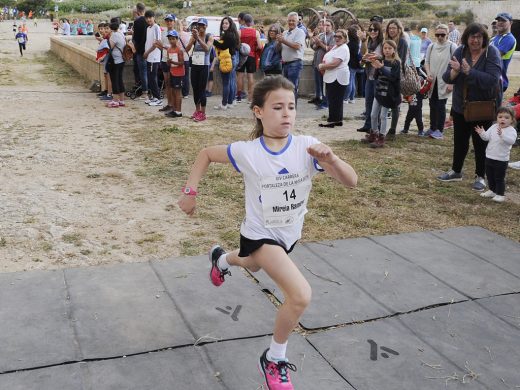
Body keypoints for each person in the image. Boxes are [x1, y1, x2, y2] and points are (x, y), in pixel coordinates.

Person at [177, 75, 357, 390]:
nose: (287, 113)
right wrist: (190, 191)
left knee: (251, 264)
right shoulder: (248, 151)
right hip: (260, 234)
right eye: (277, 107)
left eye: (291, 106)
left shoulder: (306, 147)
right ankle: (274, 358)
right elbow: (205, 153)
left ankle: (221, 259)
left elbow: (351, 181)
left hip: (287, 235)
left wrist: (333, 160)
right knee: (300, 295)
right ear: (258, 112)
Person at [438, 23, 502, 191]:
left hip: (482, 108)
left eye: (479, 37)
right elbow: (447, 76)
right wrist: (456, 72)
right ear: (466, 38)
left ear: (484, 38)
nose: (475, 40)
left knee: (481, 143)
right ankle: (456, 171)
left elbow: (492, 80)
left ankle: (481, 176)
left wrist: (469, 72)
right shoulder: (460, 51)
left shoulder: (491, 53)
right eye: (472, 36)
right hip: (461, 106)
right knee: (459, 141)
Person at [474, 106, 517, 202]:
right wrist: (482, 133)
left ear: (512, 120)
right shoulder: (494, 127)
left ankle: (500, 194)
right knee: (490, 176)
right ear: (496, 118)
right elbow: (486, 137)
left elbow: (511, 141)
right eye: (500, 117)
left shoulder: (511, 130)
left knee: (499, 178)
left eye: (506, 117)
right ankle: (492, 190)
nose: (503, 119)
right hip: (489, 156)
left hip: (501, 159)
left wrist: (502, 135)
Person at [423, 24, 457, 139]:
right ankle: (432, 127)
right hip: (432, 81)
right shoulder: (431, 46)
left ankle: (439, 130)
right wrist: (428, 73)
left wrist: (451, 83)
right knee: (432, 104)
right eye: (437, 34)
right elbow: (426, 62)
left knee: (441, 105)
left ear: (447, 34)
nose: (440, 37)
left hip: (445, 81)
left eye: (442, 34)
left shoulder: (452, 47)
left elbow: (456, 66)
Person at [367, 40, 401, 148]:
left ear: (394, 50)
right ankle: (374, 133)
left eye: (389, 48)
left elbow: (393, 77)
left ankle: (381, 137)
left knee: (383, 116)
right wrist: (376, 67)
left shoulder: (396, 63)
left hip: (388, 94)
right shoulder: (381, 60)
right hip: (379, 91)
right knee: (373, 114)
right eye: (385, 48)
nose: (387, 50)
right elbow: (376, 76)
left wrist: (381, 67)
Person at [318, 29, 350, 128]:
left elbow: (335, 63)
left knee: (335, 99)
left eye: (340, 37)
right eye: (335, 36)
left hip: (337, 76)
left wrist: (322, 66)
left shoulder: (343, 48)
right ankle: (337, 119)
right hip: (332, 76)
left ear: (345, 39)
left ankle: (332, 120)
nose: (337, 38)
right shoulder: (336, 47)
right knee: (334, 99)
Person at [185, 17, 214, 122]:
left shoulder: (209, 36)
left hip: (204, 65)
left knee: (202, 89)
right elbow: (187, 49)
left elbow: (207, 49)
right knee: (195, 88)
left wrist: (198, 38)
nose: (201, 27)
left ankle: (203, 113)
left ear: (206, 26)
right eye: (199, 25)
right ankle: (197, 111)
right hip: (195, 64)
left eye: (203, 25)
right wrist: (192, 39)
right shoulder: (194, 37)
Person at [357, 21, 384, 133]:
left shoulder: (382, 43)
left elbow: (386, 56)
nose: (373, 32)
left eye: (375, 30)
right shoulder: (369, 42)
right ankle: (368, 125)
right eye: (371, 29)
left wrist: (377, 57)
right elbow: (363, 52)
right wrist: (363, 41)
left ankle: (376, 127)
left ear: (379, 31)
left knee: (377, 103)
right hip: (369, 75)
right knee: (368, 101)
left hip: (378, 76)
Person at [385, 19, 408, 138]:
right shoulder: (387, 41)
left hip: (397, 75)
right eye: (390, 28)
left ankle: (393, 129)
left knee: (395, 103)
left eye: (394, 28)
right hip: (386, 74)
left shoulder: (402, 42)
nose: (392, 30)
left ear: (399, 29)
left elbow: (401, 60)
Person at [278, 12, 306, 104]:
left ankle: (292, 110)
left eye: (293, 21)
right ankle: (287, 109)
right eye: (289, 20)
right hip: (285, 63)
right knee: (286, 89)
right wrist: (279, 41)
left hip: (295, 63)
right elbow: (281, 47)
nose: (291, 22)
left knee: (292, 88)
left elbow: (297, 46)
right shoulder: (285, 32)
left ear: (297, 21)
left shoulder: (300, 32)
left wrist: (283, 41)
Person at [213, 16, 240, 110]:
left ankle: (224, 104)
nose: (224, 25)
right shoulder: (233, 34)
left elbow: (223, 46)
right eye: (223, 23)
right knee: (231, 81)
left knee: (226, 83)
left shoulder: (228, 35)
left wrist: (213, 41)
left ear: (230, 24)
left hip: (227, 60)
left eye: (226, 23)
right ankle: (230, 102)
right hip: (232, 59)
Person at [236, 14, 263, 103]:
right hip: (251, 56)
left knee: (240, 76)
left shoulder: (240, 32)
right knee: (250, 76)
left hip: (242, 56)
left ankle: (239, 96)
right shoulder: (256, 32)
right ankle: (250, 98)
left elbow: (237, 45)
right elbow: (259, 46)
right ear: (251, 22)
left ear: (244, 21)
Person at [490, 12, 517, 92]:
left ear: (511, 23)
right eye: (498, 20)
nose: (500, 22)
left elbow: (492, 56)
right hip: (490, 77)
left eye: (503, 20)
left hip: (498, 80)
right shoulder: (495, 38)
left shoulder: (509, 38)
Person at [309, 18, 333, 108]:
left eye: (328, 25)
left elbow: (331, 49)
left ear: (332, 27)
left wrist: (320, 44)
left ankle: (325, 102)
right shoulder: (322, 35)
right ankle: (319, 98)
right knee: (318, 83)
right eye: (324, 25)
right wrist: (315, 41)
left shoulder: (332, 36)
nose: (325, 27)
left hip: (325, 64)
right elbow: (315, 47)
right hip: (317, 63)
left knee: (325, 85)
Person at [156, 14, 176, 113]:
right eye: (167, 21)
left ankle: (174, 105)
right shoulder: (163, 33)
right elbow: (163, 48)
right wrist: (159, 46)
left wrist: (164, 47)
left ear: (174, 22)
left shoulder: (176, 34)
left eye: (170, 21)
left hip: (172, 61)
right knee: (167, 83)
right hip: (164, 60)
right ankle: (169, 104)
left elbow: (176, 48)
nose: (169, 22)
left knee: (172, 84)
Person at [143, 10, 162, 106]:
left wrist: (147, 52)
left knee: (153, 77)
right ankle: (154, 97)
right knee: (150, 78)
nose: (148, 19)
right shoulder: (148, 28)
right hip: (149, 57)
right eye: (147, 18)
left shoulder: (156, 27)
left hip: (154, 57)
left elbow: (157, 43)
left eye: (150, 17)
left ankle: (158, 98)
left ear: (154, 17)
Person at [106, 19, 126, 108]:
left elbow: (110, 47)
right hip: (121, 60)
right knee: (120, 79)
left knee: (115, 80)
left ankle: (115, 100)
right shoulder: (121, 33)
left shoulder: (114, 36)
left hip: (115, 60)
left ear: (111, 28)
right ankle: (121, 100)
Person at [165, 30, 185, 118]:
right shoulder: (169, 49)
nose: (171, 41)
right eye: (170, 39)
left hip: (179, 73)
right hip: (172, 72)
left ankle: (178, 111)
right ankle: (174, 109)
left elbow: (182, 63)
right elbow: (168, 63)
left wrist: (172, 61)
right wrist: (168, 62)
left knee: (177, 93)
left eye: (173, 39)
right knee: (172, 91)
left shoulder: (179, 49)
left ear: (177, 39)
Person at [132, 3, 149, 100]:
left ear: (137, 11)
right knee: (147, 72)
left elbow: (136, 38)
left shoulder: (138, 22)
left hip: (140, 51)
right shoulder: (148, 20)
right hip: (149, 50)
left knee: (142, 72)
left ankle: (144, 92)